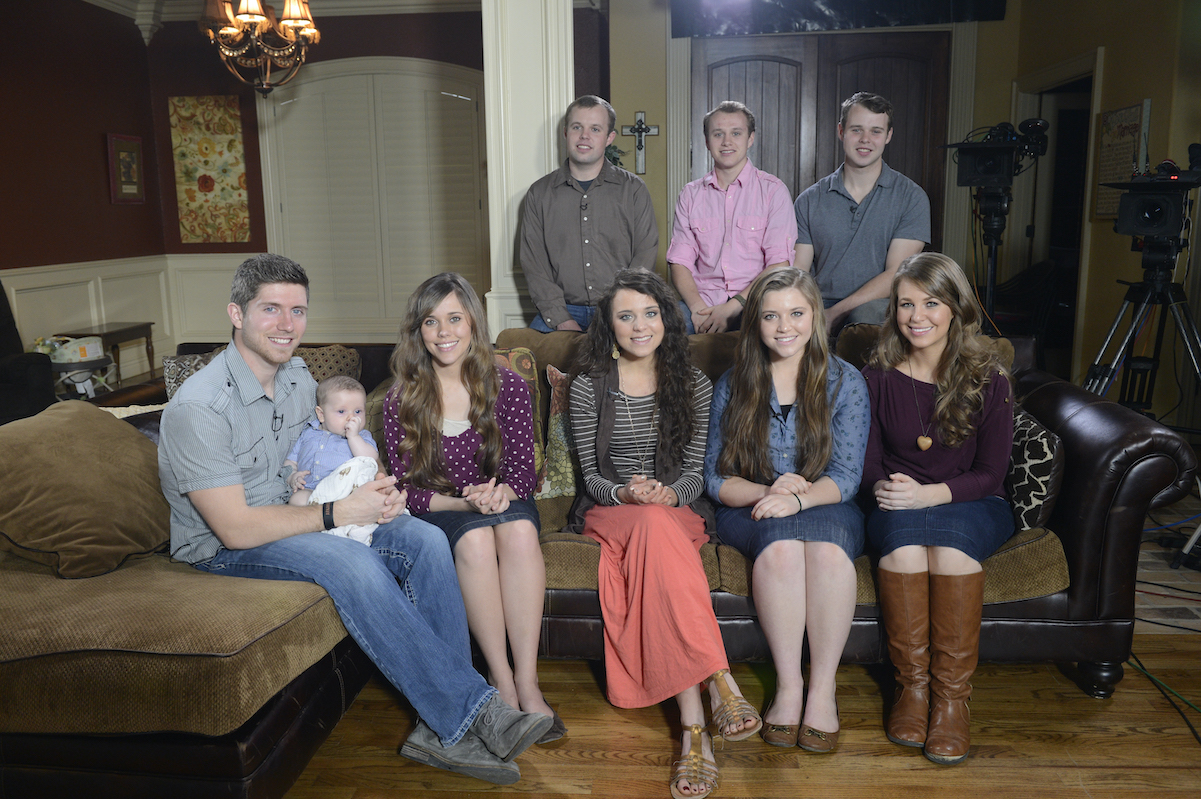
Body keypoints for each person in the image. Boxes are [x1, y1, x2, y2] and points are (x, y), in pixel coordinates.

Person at [158, 254, 551, 787]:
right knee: (353, 563)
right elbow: (235, 529)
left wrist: (376, 491)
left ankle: (438, 726)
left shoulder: (298, 379)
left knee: (424, 539)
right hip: (229, 545)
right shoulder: (200, 406)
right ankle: (473, 715)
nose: (287, 324)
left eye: (297, 311)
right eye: (270, 309)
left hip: (304, 512)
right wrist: (341, 511)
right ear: (236, 313)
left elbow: (340, 451)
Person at [567, 268, 760, 799]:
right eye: (626, 316)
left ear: (666, 320)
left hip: (675, 512)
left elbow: (696, 474)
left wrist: (669, 496)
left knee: (657, 529)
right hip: (612, 511)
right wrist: (627, 494)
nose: (640, 326)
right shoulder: (587, 387)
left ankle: (695, 732)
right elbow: (591, 478)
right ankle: (718, 680)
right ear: (609, 326)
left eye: (650, 313)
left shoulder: (693, 384)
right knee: (649, 525)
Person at [382, 272, 565, 743]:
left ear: (473, 324)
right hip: (442, 506)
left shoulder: (507, 385)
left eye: (454, 319)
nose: (443, 332)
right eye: (431, 321)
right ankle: (500, 680)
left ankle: (528, 680)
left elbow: (524, 471)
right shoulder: (401, 396)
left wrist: (502, 493)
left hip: (501, 498)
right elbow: (405, 488)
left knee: (518, 531)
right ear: (418, 330)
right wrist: (462, 503)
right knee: (478, 541)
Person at [704, 267, 868, 755]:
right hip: (752, 506)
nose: (784, 327)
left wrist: (797, 498)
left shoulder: (846, 381)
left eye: (796, 313)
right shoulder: (733, 384)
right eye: (771, 316)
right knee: (780, 553)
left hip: (827, 503)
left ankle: (822, 690)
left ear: (814, 316)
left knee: (829, 555)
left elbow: (846, 477)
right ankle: (789, 686)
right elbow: (715, 478)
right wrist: (766, 492)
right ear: (754, 322)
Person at [861, 252, 1014, 765]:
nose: (917, 316)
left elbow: (991, 473)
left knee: (950, 554)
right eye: (906, 304)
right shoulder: (876, 376)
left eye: (931, 303)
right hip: (896, 500)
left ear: (955, 308)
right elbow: (867, 462)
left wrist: (928, 495)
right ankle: (913, 689)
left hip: (972, 501)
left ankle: (951, 700)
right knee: (904, 553)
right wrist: (887, 490)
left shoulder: (989, 377)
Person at [793, 92, 930, 333]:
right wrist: (802, 313)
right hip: (819, 305)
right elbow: (799, 272)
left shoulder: (911, 197)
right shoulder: (809, 200)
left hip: (879, 309)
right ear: (841, 131)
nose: (865, 139)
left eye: (876, 131)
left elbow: (896, 275)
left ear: (888, 136)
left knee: (862, 315)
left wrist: (835, 314)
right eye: (856, 130)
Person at [520, 95, 658, 332]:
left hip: (618, 308)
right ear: (566, 133)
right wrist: (561, 319)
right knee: (531, 351)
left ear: (609, 138)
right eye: (577, 127)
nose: (584, 136)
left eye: (595, 129)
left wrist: (619, 312)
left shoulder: (633, 190)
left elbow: (644, 256)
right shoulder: (539, 193)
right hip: (562, 309)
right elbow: (535, 265)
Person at [667, 101, 796, 334]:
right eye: (718, 134)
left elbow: (779, 264)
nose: (727, 142)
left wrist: (732, 307)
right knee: (665, 329)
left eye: (736, 133)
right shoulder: (690, 194)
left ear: (750, 139)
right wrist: (697, 308)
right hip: (703, 301)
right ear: (707, 141)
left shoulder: (773, 191)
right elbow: (679, 261)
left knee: (774, 331)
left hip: (757, 301)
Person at [284, 375, 382, 544]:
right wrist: (293, 476)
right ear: (321, 414)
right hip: (313, 492)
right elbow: (291, 462)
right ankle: (319, 529)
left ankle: (351, 528)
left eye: (358, 411)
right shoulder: (308, 433)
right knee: (296, 500)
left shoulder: (362, 436)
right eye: (342, 412)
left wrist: (353, 437)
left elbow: (370, 459)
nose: (351, 418)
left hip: (347, 496)